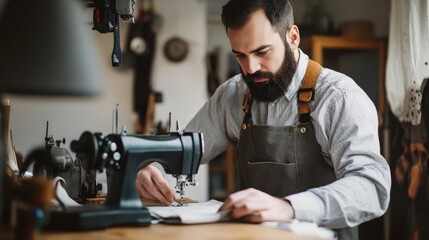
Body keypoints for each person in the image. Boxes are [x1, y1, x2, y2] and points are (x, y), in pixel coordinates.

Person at [136, 0, 391, 239]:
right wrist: (155, 168)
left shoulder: (339, 98)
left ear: (292, 37)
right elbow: (184, 148)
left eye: (262, 51)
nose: (251, 68)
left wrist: (289, 207)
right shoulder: (233, 95)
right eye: (240, 55)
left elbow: (371, 188)